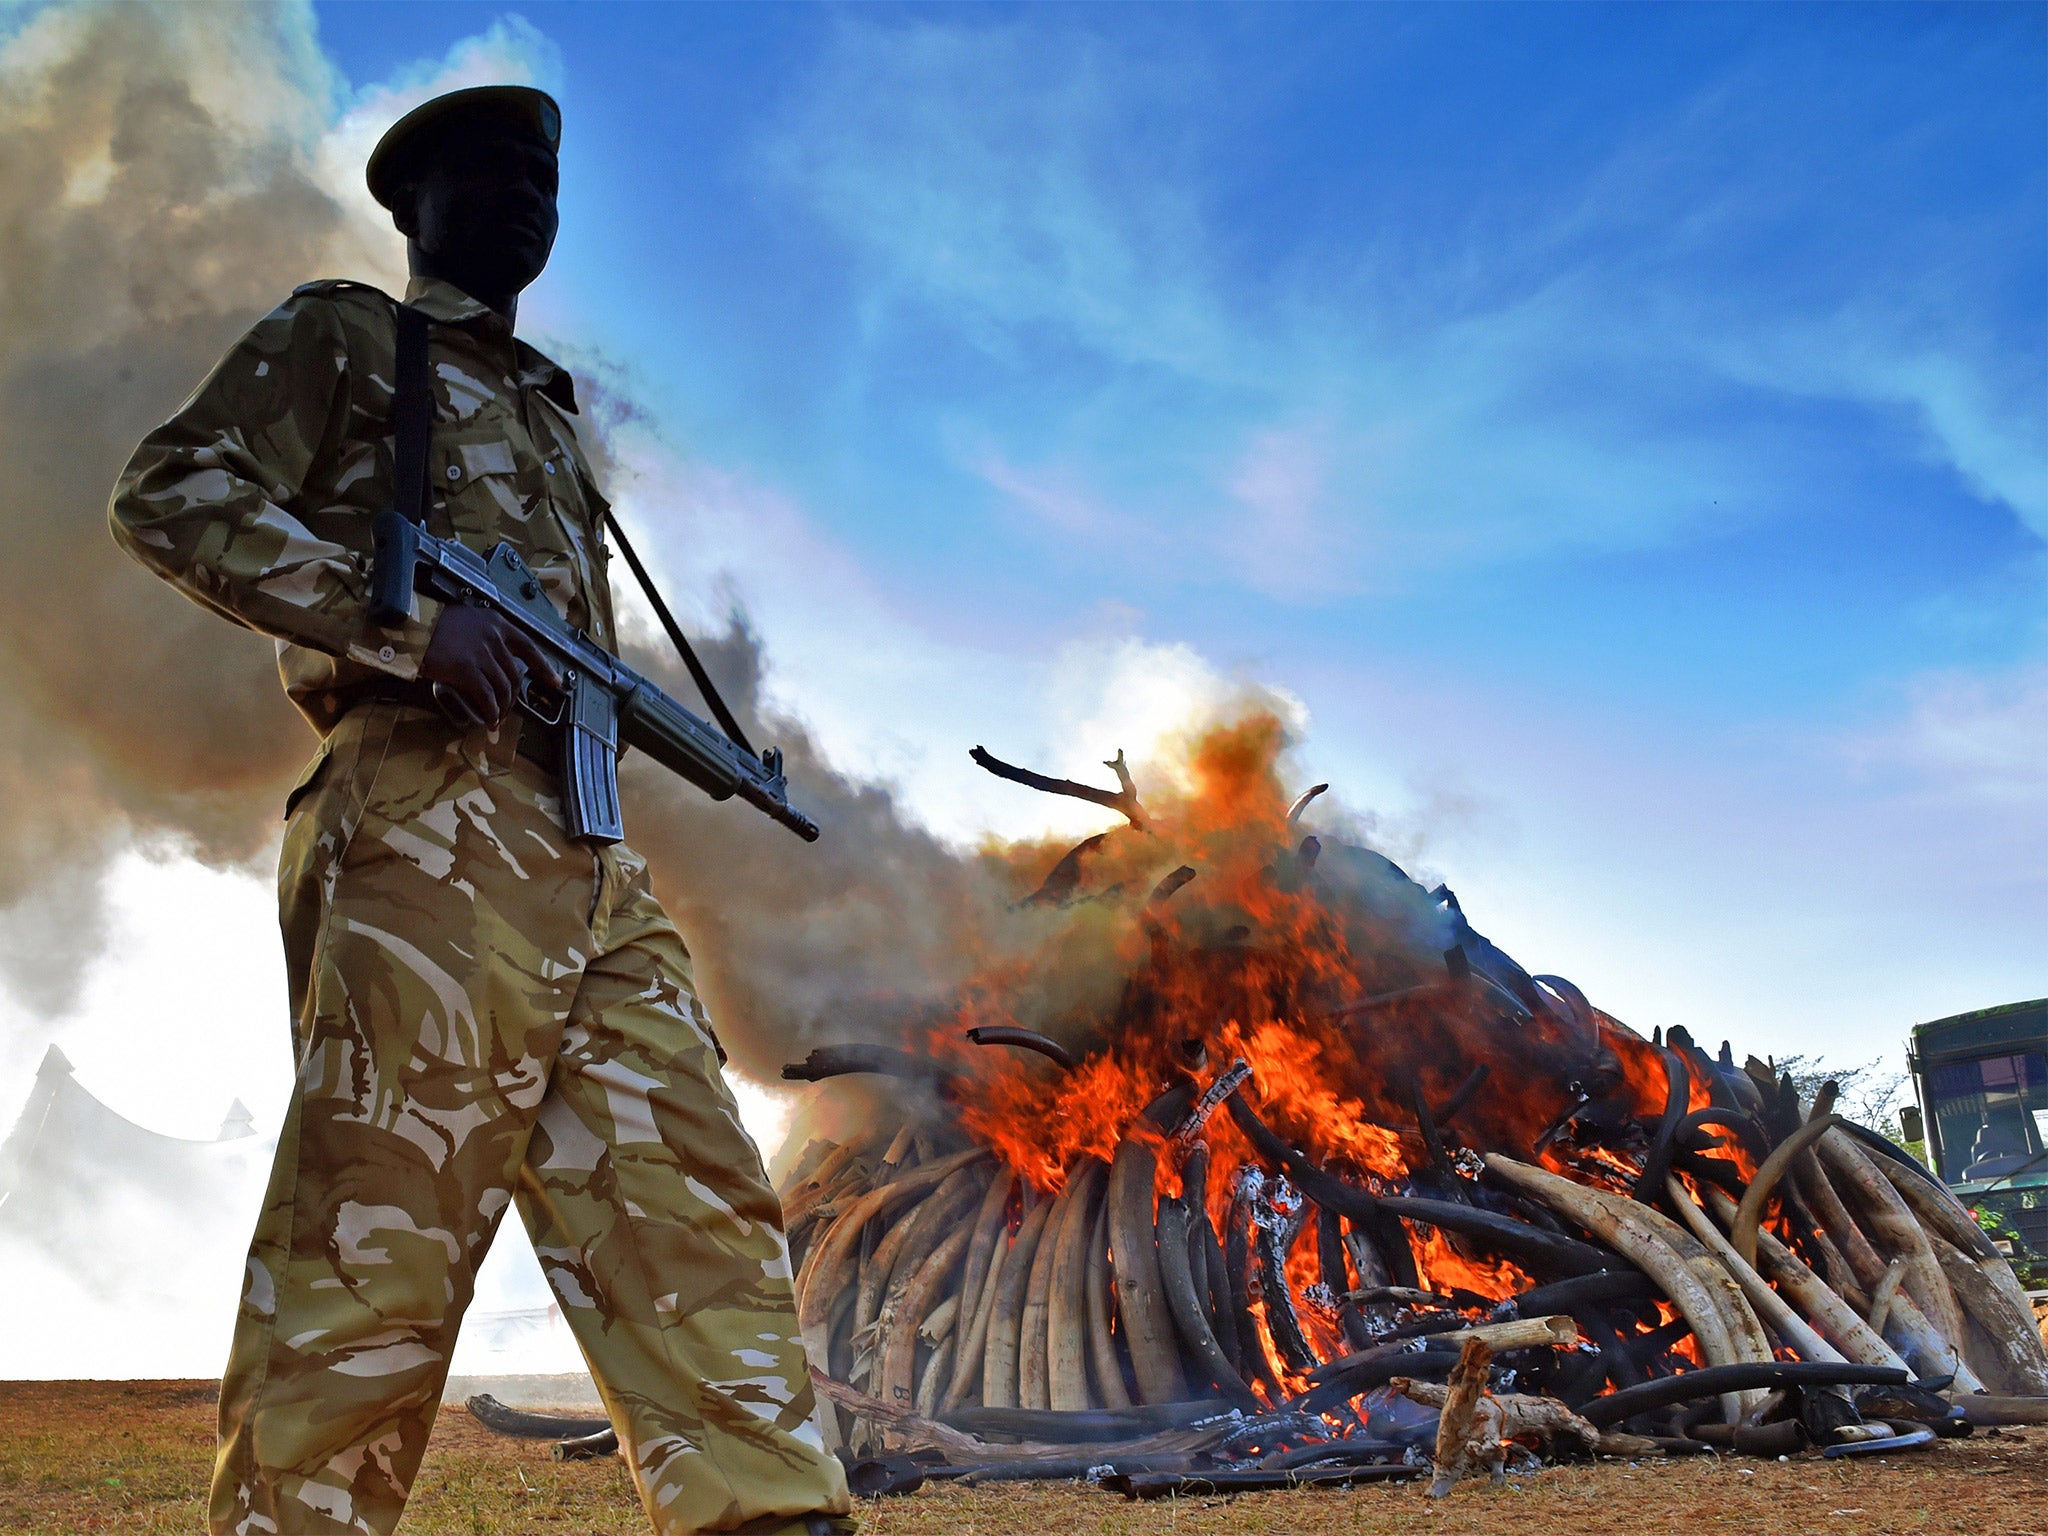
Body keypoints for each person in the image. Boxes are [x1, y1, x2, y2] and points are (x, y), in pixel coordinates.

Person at [108, 85, 852, 1536]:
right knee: (373, 1247)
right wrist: (391, 629)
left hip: (589, 872)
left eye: (546, 180)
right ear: (411, 205)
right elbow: (170, 489)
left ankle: (774, 1513)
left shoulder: (554, 424)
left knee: (694, 1211)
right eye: (490, 169)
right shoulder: (345, 339)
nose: (527, 195)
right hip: (420, 834)